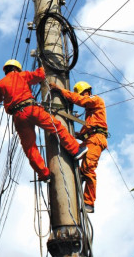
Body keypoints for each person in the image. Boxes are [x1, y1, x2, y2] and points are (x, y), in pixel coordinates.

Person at [0, 59, 87, 182]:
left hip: (18, 117)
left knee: (29, 148)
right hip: (31, 109)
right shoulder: (22, 75)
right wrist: (43, 62)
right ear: (17, 69)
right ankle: (75, 150)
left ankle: (44, 174)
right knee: (55, 126)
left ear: (6, 70)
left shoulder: (0, 84)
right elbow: (39, 75)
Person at [49, 81, 108, 213]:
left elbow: (80, 100)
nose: (82, 96)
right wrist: (77, 134)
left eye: (82, 94)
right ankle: (77, 186)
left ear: (87, 92)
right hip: (90, 139)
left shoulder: (96, 100)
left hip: (96, 139)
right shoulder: (90, 114)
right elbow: (87, 129)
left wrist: (60, 90)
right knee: (74, 154)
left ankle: (89, 203)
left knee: (88, 169)